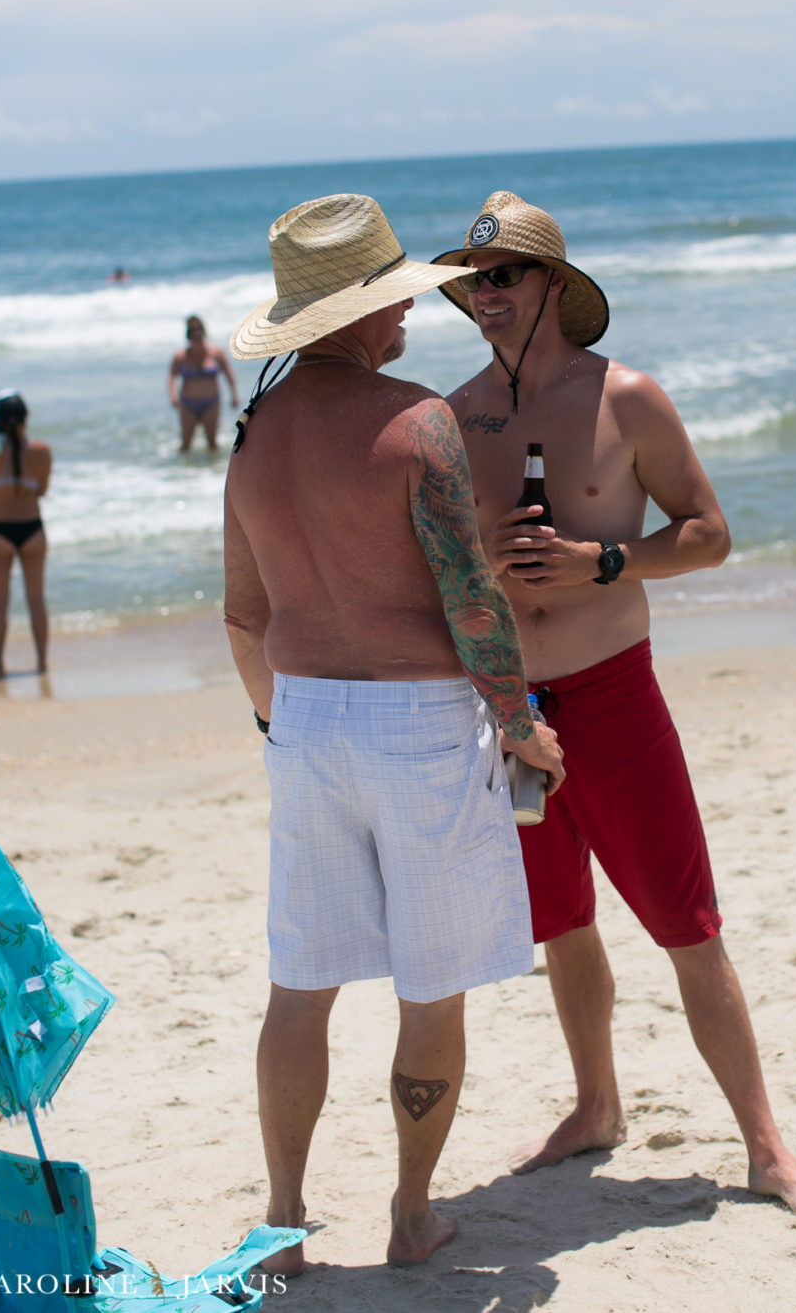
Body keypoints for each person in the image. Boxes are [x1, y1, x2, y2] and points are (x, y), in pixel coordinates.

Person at [434, 190, 796, 1214]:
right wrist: (479, 567)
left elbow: (707, 532)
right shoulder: (455, 416)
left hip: (612, 697)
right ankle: (595, 1106)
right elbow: (436, 571)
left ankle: (764, 1148)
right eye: (472, 279)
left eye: (503, 276)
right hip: (510, 707)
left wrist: (600, 561)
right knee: (562, 922)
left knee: (684, 921)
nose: (483, 294)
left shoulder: (626, 399)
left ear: (553, 287)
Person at [223, 194, 563, 1272]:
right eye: (392, 302)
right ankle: (412, 1216)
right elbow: (471, 601)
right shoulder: (418, 421)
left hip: (305, 716)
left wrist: (278, 727)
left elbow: (242, 614)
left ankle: (282, 1221)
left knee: (300, 980)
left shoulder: (251, 436)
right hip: (418, 724)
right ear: (352, 315)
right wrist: (520, 728)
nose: (408, 319)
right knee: (430, 981)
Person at [0, 391, 52, 679]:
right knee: (36, 598)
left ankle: (0, 667)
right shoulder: (41, 450)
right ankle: (41, 664)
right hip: (32, 528)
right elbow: (42, 490)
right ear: (26, 418)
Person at [167, 315, 239, 452]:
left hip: (211, 403)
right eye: (194, 337)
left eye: (200, 336)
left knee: (212, 444)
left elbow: (229, 374)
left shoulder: (216, 353)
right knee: (186, 445)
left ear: (204, 334)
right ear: (189, 337)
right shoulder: (181, 356)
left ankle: (213, 471)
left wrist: (234, 395)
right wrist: (173, 395)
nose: (198, 340)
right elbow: (171, 376)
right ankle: (182, 471)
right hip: (188, 404)